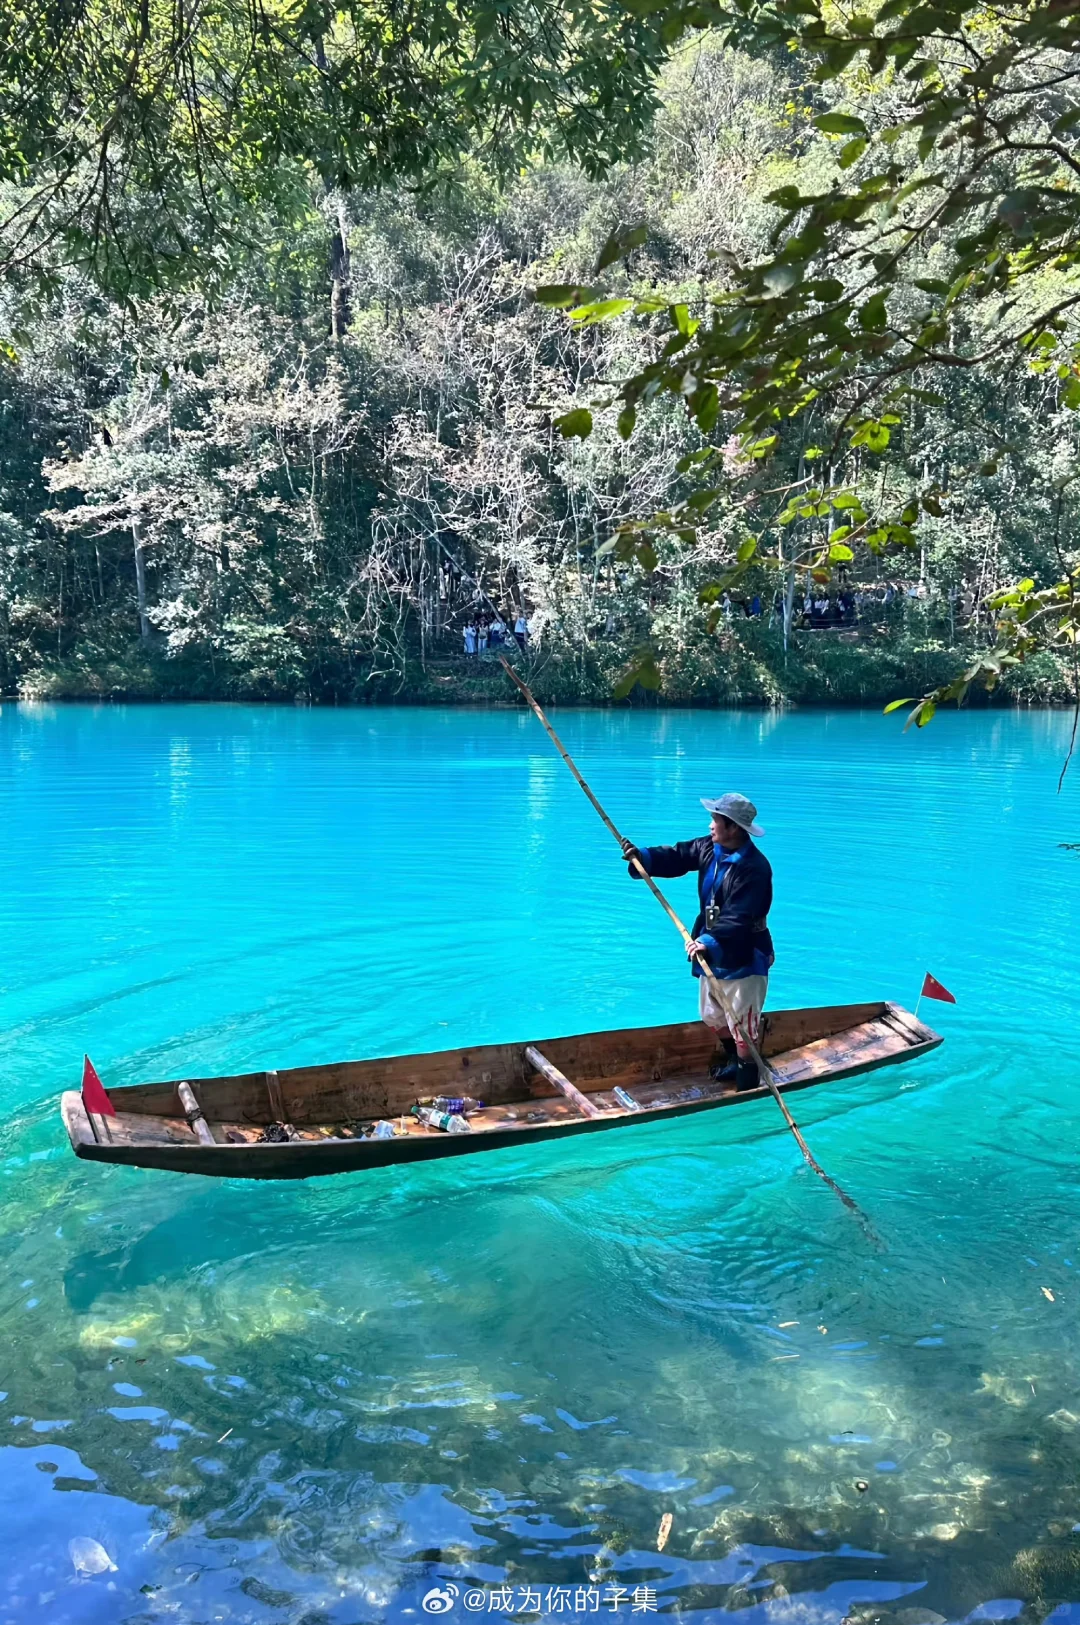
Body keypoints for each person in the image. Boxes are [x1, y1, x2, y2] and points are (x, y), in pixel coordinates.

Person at [620, 794, 774, 1094]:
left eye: (716, 820)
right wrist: (642, 858)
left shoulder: (755, 868)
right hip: (711, 946)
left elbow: (742, 916)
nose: (711, 824)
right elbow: (678, 856)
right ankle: (734, 1060)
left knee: (743, 1028)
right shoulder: (709, 847)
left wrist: (708, 941)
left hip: (742, 951)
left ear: (733, 828)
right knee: (712, 1014)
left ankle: (748, 1085)